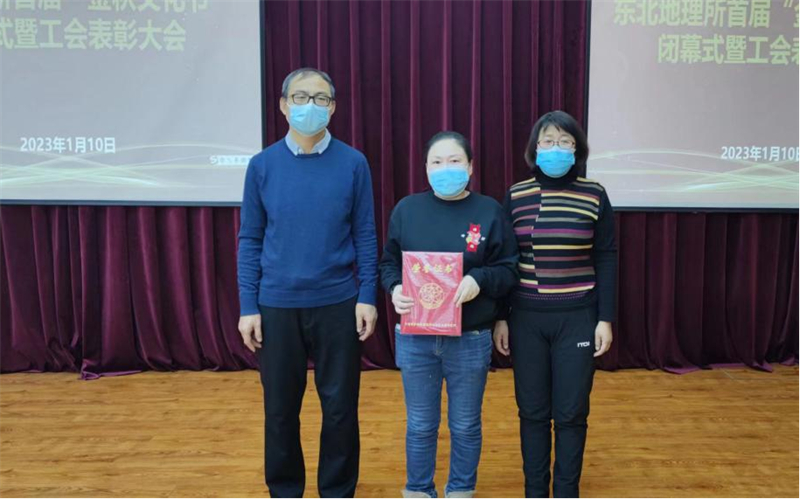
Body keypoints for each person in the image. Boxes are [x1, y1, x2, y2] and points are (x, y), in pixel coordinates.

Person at [237, 67, 379, 498]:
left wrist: (367, 296)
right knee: (280, 410)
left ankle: (337, 490)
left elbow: (365, 234)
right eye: (300, 97)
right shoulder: (262, 166)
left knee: (340, 409)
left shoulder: (353, 163)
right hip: (277, 304)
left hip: (338, 302)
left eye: (320, 99)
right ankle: (285, 489)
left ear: (332, 108)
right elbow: (250, 238)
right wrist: (248, 306)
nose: (310, 106)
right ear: (283, 105)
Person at [379, 131, 519, 498]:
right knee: (420, 424)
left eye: (455, 161)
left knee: (466, 424)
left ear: (470, 167)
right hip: (416, 337)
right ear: (425, 168)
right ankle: (418, 489)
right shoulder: (407, 210)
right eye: (437, 162)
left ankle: (460, 489)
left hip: (470, 338)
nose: (446, 169)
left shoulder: (489, 211)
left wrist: (479, 280)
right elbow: (388, 263)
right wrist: (395, 288)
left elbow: (508, 269)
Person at [493, 110, 617, 498]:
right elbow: (505, 260)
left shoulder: (594, 194)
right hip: (526, 318)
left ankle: (566, 491)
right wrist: (501, 317)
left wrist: (605, 318)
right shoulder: (517, 195)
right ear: (535, 148)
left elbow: (606, 256)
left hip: (577, 317)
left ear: (577, 149)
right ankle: (535, 491)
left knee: (571, 413)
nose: (556, 148)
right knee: (531, 412)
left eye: (565, 141)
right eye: (548, 141)